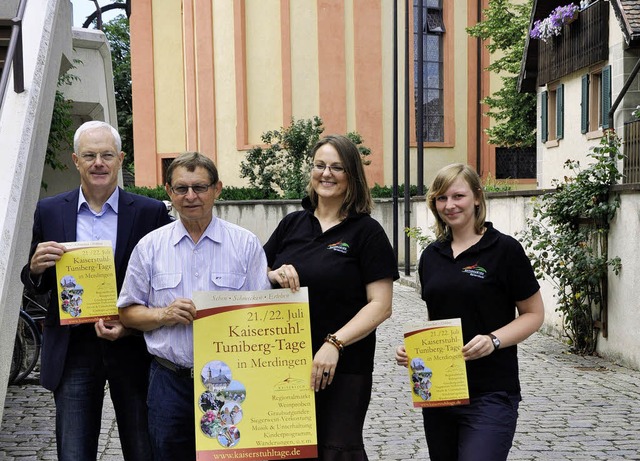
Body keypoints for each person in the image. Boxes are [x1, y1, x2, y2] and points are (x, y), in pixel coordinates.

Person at [20, 120, 173, 461]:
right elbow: (36, 280)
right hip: (74, 349)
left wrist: (131, 324)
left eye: (106, 155)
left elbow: (164, 281)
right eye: (90, 155)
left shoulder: (150, 213)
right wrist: (34, 268)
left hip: (132, 348)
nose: (98, 163)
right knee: (74, 452)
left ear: (120, 159)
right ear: (76, 160)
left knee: (142, 449)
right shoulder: (50, 210)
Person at [116, 152, 271, 460]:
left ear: (218, 189)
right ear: (168, 192)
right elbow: (127, 312)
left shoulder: (245, 244)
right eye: (181, 189)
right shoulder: (150, 247)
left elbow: (263, 315)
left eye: (199, 187)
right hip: (169, 383)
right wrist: (163, 314)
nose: (190, 196)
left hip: (230, 383)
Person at [395, 163, 545, 461]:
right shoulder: (431, 256)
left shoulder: (505, 250)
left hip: (491, 392)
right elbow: (438, 319)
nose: (449, 205)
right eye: (441, 198)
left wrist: (494, 340)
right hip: (440, 392)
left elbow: (534, 314)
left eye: (458, 196)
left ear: (477, 197)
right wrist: (417, 350)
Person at [264, 134, 399, 460]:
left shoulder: (366, 232)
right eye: (320, 165)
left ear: (351, 175)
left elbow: (381, 305)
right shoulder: (291, 224)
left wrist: (334, 343)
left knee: (338, 450)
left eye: (337, 167)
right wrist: (273, 274)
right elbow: (257, 274)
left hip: (344, 365)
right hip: (286, 362)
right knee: (292, 451)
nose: (326, 173)